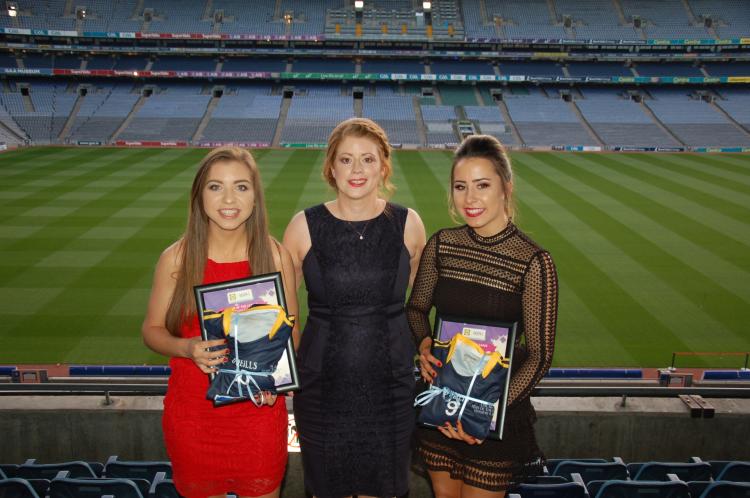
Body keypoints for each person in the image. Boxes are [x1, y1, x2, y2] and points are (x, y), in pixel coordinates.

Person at [407, 135, 558, 498]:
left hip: (491, 417)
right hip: (441, 404)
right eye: (461, 187)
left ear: (506, 188)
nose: (470, 199)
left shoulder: (534, 262)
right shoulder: (442, 244)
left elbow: (540, 356)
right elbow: (415, 309)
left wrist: (484, 411)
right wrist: (425, 344)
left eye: (482, 185)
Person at [142, 146, 298, 498]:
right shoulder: (176, 259)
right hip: (194, 419)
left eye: (241, 187)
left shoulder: (275, 256)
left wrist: (276, 380)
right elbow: (151, 330)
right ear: (199, 196)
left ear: (256, 197)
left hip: (257, 416)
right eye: (216, 187)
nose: (229, 198)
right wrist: (186, 347)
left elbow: (291, 332)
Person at [283, 117, 426, 498]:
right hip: (321, 387)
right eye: (346, 160)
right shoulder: (302, 226)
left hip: (391, 387)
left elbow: (424, 308)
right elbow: (283, 317)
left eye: (368, 159)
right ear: (330, 167)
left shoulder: (409, 224)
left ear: (384, 165)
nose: (357, 170)